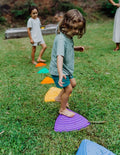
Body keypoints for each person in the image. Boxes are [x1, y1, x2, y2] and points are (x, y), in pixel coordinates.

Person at [49, 9, 86, 117]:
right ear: (66, 24)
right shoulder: (61, 39)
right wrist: (60, 73)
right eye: (75, 28)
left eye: (78, 29)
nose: (76, 31)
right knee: (68, 89)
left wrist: (76, 48)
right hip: (59, 70)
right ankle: (62, 109)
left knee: (73, 84)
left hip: (66, 69)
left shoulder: (68, 37)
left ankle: (59, 97)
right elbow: (59, 56)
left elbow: (67, 48)